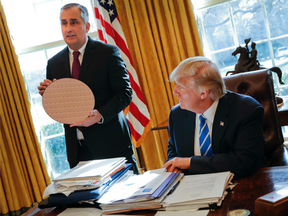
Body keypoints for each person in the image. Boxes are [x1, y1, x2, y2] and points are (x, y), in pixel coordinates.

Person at [38, 3, 138, 173]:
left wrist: (99, 115)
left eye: (74, 22)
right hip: (78, 151)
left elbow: (124, 94)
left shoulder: (107, 53)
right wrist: (49, 95)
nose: (68, 28)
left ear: (87, 26)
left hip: (111, 146)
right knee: (88, 200)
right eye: (64, 23)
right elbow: (62, 106)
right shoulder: (53, 63)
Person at [163, 56, 268, 177]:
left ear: (203, 92)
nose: (175, 92)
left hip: (242, 183)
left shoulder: (246, 110)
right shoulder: (177, 115)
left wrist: (190, 163)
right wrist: (175, 167)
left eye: (181, 86)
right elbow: (173, 152)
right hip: (193, 188)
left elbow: (244, 161)